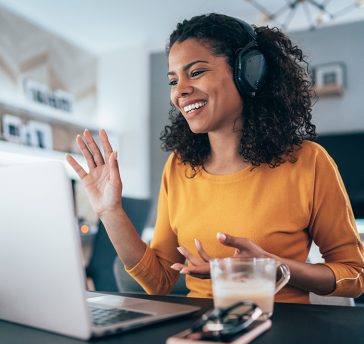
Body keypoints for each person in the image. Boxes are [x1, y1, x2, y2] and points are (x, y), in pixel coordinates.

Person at [67, 13, 364, 304]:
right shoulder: (179, 166)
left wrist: (274, 267)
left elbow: (354, 276)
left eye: (195, 72)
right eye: (173, 80)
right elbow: (159, 281)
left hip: (282, 326)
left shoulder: (309, 162)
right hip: (203, 328)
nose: (180, 91)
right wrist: (110, 212)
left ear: (248, 72)